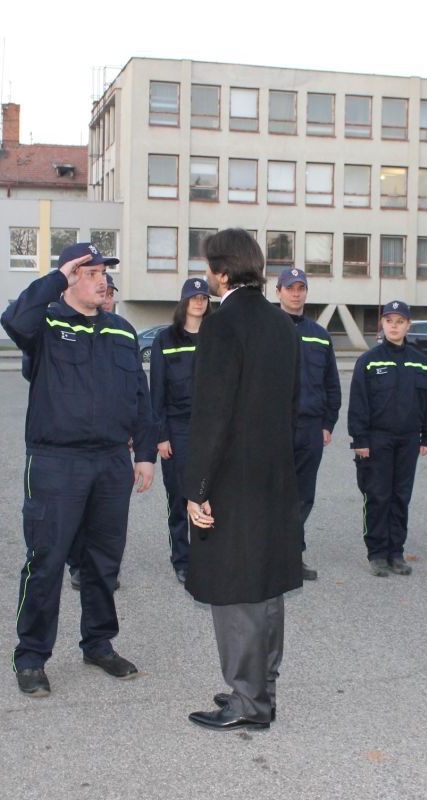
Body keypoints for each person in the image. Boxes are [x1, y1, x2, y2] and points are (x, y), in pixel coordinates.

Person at [1, 242, 156, 698]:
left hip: (110, 461)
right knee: (46, 560)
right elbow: (14, 320)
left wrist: (145, 453)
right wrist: (56, 279)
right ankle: (31, 656)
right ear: (69, 278)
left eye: (103, 273)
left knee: (103, 561)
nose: (101, 280)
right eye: (90, 273)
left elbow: (140, 396)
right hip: (56, 461)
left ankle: (99, 643)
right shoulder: (46, 324)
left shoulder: (121, 331)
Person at [183, 229, 302, 731]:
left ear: (224, 271)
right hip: (274, 474)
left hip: (233, 477)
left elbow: (212, 415)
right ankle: (261, 686)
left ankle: (248, 702)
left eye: (210, 267)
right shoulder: (281, 323)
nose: (208, 275)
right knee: (266, 584)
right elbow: (292, 402)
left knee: (235, 590)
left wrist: (197, 488)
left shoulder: (222, 324)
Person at [349, 301, 427, 577]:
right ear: (383, 324)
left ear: (408, 326)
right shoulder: (369, 360)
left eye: (400, 321)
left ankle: (396, 552)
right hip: (378, 439)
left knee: (401, 497)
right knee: (378, 496)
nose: (394, 326)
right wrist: (360, 440)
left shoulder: (420, 362)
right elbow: (358, 404)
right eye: (389, 321)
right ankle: (377, 553)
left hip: (408, 440)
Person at [275, 267, 341, 581]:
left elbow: (331, 384)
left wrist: (328, 423)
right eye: (290, 288)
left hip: (310, 427)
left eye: (300, 288)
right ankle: (269, 557)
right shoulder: (268, 330)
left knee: (303, 495)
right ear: (278, 292)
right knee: (274, 492)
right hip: (275, 427)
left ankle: (292, 556)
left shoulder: (320, 335)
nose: (296, 293)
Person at [150, 277, 213, 584]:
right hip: (177, 427)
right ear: (183, 302)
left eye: (203, 297)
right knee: (179, 496)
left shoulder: (216, 337)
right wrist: (161, 435)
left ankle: (207, 556)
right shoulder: (166, 339)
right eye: (193, 297)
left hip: (211, 428)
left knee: (210, 493)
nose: (199, 302)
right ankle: (182, 559)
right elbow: (157, 391)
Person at [67, 267, 122, 592]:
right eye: (105, 292)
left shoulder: (122, 333)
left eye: (111, 293)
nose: (107, 298)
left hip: (112, 444)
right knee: (78, 512)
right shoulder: (69, 329)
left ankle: (104, 570)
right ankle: (78, 564)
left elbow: (132, 391)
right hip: (75, 447)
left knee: (107, 518)